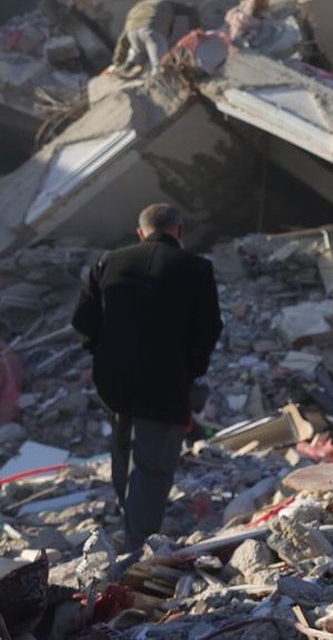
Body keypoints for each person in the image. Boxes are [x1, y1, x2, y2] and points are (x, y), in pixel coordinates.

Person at [71, 204, 222, 553]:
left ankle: (130, 519)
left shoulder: (108, 262)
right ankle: (137, 548)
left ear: (140, 232)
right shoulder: (197, 268)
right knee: (153, 464)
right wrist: (192, 370)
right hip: (165, 379)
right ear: (179, 231)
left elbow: (82, 318)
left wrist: (101, 351)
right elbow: (209, 328)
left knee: (123, 447)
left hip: (113, 377)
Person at [110, 0, 200, 79]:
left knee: (139, 51)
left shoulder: (138, 9)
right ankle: (157, 83)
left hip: (132, 33)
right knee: (160, 66)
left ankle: (128, 65)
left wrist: (117, 62)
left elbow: (122, 41)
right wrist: (195, 31)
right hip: (151, 33)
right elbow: (192, 9)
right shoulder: (170, 4)